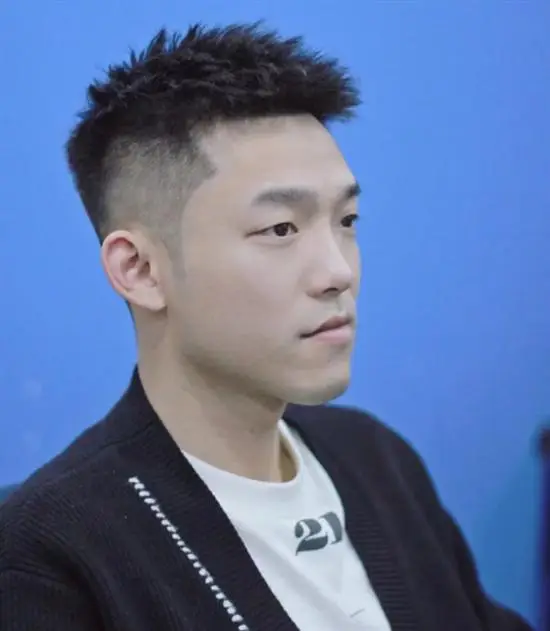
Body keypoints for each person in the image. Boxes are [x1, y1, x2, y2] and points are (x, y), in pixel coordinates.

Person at [0, 23, 532, 631]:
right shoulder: (48, 560)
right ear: (140, 270)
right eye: (281, 229)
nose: (338, 272)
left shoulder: (376, 462)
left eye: (347, 221)